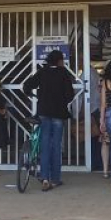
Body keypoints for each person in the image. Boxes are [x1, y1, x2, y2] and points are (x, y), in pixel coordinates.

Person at [23, 49, 75, 192]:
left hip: (44, 113)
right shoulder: (64, 73)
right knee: (56, 146)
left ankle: (45, 178)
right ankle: (55, 179)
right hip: (58, 113)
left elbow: (27, 85)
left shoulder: (43, 72)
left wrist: (33, 95)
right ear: (59, 61)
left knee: (45, 145)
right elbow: (70, 95)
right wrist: (62, 101)